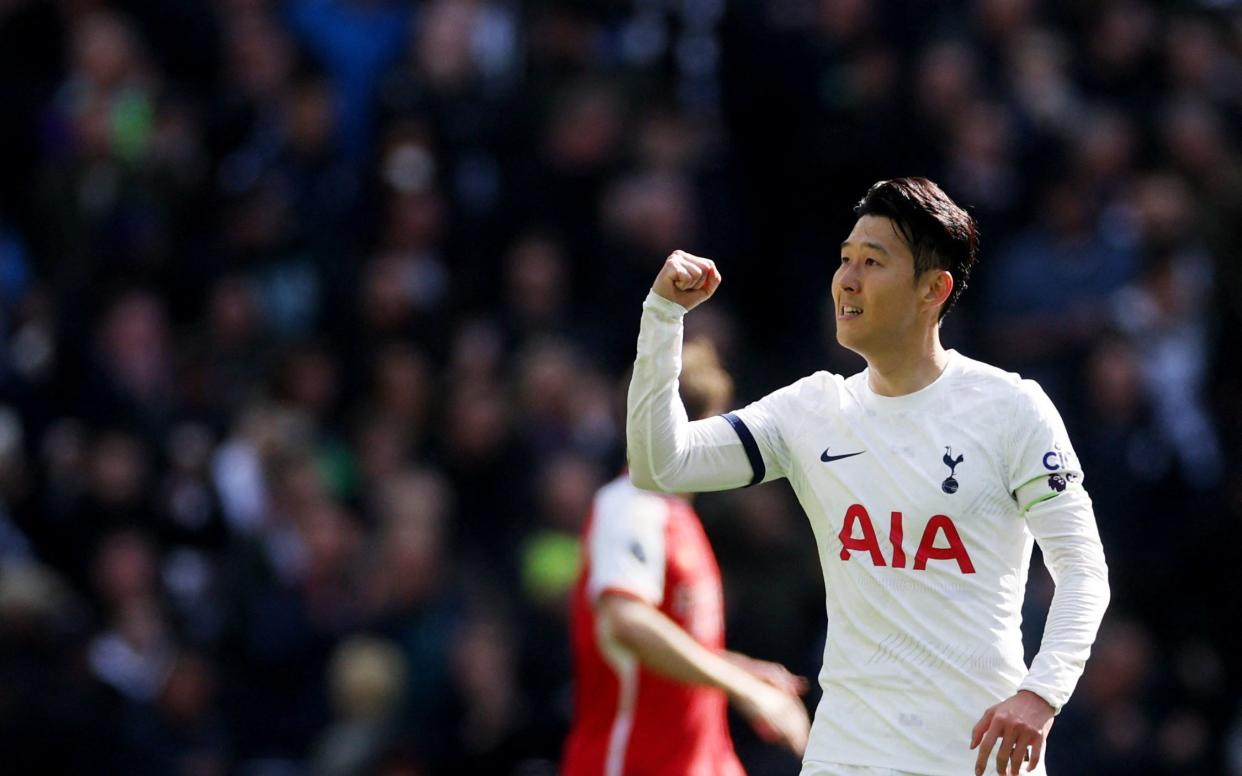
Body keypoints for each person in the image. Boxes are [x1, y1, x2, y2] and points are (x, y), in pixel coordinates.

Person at [626, 177, 1110, 776]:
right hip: (847, 756)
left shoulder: (1011, 408)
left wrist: (1043, 692)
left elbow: (1083, 569)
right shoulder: (812, 410)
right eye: (844, 260)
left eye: (873, 262)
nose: (846, 280)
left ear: (935, 289)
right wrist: (663, 315)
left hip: (975, 756)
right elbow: (660, 466)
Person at [562, 339, 812, 776]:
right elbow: (628, 621)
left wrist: (740, 670)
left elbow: (658, 652)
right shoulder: (630, 505)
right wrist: (741, 688)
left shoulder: (679, 518)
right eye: (720, 425)